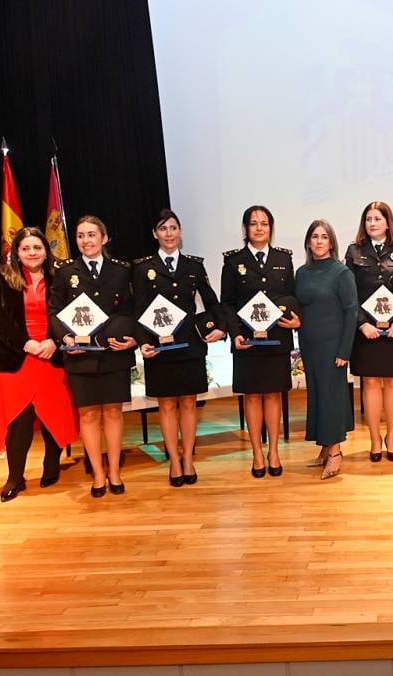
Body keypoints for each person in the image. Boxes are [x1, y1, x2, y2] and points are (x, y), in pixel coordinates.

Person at [0, 226, 78, 501]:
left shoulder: (61, 276)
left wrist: (53, 341)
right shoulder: (0, 277)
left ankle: (51, 464)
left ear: (46, 251)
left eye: (37, 247)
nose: (32, 252)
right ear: (17, 252)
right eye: (26, 248)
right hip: (17, 357)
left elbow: (73, 313)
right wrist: (26, 343)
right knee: (19, 421)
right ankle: (15, 477)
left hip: (51, 355)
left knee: (52, 415)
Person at [133, 209, 226, 486]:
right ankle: (173, 461)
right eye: (163, 229)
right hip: (159, 347)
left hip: (190, 345)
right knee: (165, 405)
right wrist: (142, 342)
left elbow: (212, 301)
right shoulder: (142, 268)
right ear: (155, 234)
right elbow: (137, 310)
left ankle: (188, 458)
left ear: (180, 232)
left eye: (173, 228)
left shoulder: (194, 266)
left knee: (188, 403)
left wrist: (220, 328)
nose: (169, 234)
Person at [49, 215, 137, 498]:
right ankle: (97, 473)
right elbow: (54, 310)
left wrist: (134, 338)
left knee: (113, 413)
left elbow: (132, 309)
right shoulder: (65, 271)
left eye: (92, 234)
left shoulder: (122, 270)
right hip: (80, 354)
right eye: (81, 236)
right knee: (88, 415)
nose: (86, 240)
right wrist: (64, 339)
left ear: (104, 238)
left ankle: (114, 471)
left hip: (113, 353)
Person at [221, 205, 300, 478]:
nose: (259, 228)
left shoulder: (284, 259)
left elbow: (292, 296)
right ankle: (256, 453)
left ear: (270, 228)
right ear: (245, 229)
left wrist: (295, 318)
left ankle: (274, 451)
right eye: (253, 223)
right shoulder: (233, 261)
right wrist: (235, 333)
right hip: (248, 340)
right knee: (253, 397)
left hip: (276, 338)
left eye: (264, 223)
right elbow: (228, 304)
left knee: (274, 394)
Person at [345, 201, 393, 462]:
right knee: (369, 382)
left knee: (392, 382)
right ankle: (374, 439)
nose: (372, 223)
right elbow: (348, 292)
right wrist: (361, 323)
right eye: (368, 219)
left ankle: (391, 437)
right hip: (366, 329)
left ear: (387, 223)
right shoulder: (354, 251)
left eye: (377, 219)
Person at [296, 220, 357, 480]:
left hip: (333, 346)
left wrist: (344, 350)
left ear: (331, 242)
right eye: (314, 236)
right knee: (318, 395)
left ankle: (335, 452)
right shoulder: (302, 272)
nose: (319, 241)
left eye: (324, 237)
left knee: (332, 397)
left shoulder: (341, 273)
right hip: (310, 345)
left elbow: (351, 312)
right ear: (308, 242)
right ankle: (324, 447)